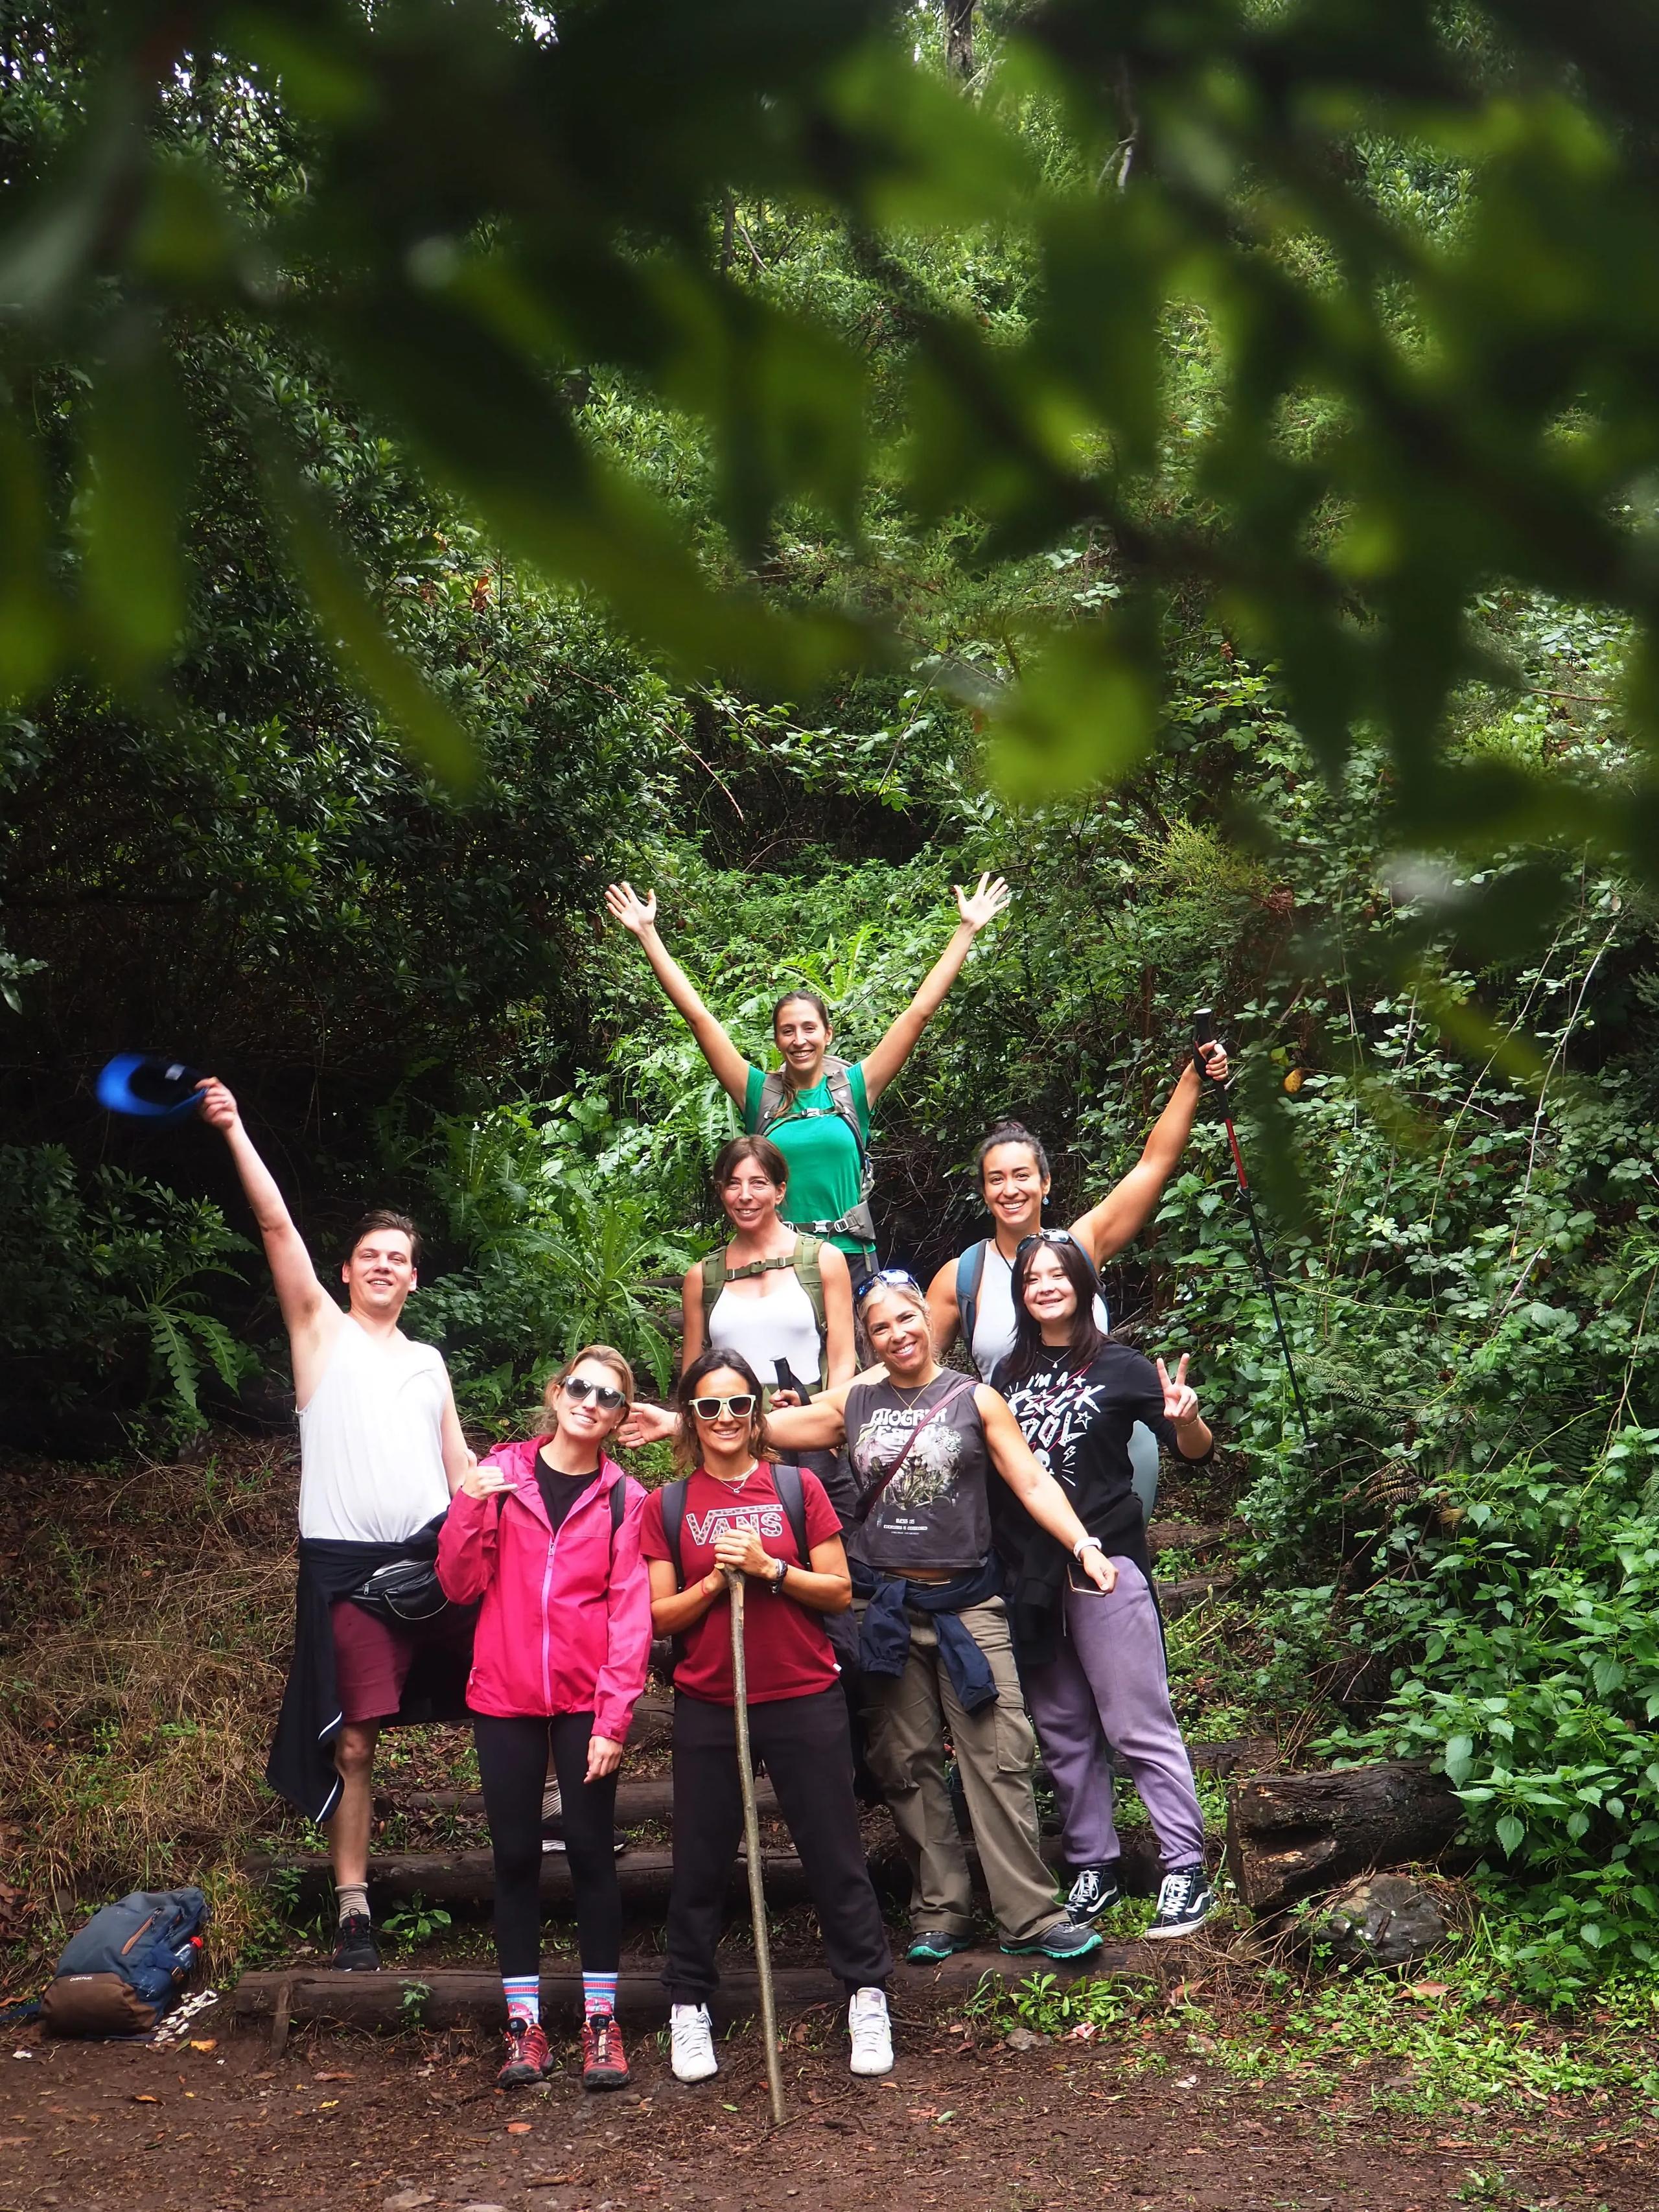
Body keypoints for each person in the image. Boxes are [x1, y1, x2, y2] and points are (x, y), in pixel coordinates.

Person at [631, 1275, 1114, 1964]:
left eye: (905, 1318)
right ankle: (941, 1911)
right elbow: (751, 1425)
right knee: (905, 1761)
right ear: (867, 1339)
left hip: (968, 1602)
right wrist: (678, 1419)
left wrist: (1083, 1542)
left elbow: (1031, 1479)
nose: (897, 1333)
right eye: (880, 1326)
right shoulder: (853, 1400)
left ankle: (1029, 1914)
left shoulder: (975, 1398)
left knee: (1000, 1753)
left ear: (927, 1318)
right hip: (884, 1607)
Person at [197, 1078, 472, 1973]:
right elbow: (277, 1228)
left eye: (400, 1256)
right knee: (353, 1738)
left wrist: (511, 1496)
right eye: (371, 1255)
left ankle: (531, 1843)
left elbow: (460, 1464)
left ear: (416, 1277)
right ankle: (353, 1900)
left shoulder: (429, 1360)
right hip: (346, 1570)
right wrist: (237, 1127)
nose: (386, 1265)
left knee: (509, 1699)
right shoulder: (319, 1331)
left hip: (432, 1562)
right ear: (347, 1271)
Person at [636, 1349, 895, 2084]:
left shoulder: (796, 1484)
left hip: (803, 1694)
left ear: (757, 1413)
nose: (724, 1419)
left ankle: (866, 1992)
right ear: (690, 1416)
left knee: (834, 1849)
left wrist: (770, 1568)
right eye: (709, 1406)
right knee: (700, 1857)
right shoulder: (668, 1504)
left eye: (738, 1404)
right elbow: (660, 1614)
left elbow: (839, 1590)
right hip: (711, 1700)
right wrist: (718, 1579)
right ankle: (689, 2002)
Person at [605, 873, 1012, 1284]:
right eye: (788, 1031)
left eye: (809, 1028)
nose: (799, 1040)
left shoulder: (855, 1087)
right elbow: (698, 1017)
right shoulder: (757, 1094)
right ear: (777, 1039)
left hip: (852, 1257)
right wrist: (648, 933)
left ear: (827, 1033)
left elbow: (918, 1013)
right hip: (778, 1260)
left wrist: (966, 930)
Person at [437, 1346, 651, 2091]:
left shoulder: (625, 1497)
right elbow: (459, 1584)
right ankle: (524, 2026)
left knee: (592, 1851)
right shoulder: (503, 1475)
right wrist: (467, 1502)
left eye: (610, 1397)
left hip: (584, 1698)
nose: (591, 1402)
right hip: (503, 1693)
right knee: (515, 1858)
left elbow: (630, 1616)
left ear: (622, 1415)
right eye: (582, 1387)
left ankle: (601, 2023)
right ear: (558, 1391)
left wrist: (613, 1716)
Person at [996, 1231, 1217, 1937]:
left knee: (1136, 1720)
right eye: (1032, 1276)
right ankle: (1094, 1861)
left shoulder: (1120, 1366)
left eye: (1059, 1273)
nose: (1046, 1284)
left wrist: (1188, 1421)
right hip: (1031, 1571)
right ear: (1020, 1293)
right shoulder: (1005, 1373)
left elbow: (1196, 1454)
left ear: (1085, 1283)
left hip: (1108, 1561)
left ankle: (1185, 1866)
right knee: (1061, 1726)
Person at [925, 1034, 1229, 1520]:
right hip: (1016, 1465)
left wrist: (1193, 1077)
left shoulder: (1080, 1247)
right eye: (996, 1179)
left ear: (1045, 1183)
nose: (1011, 1189)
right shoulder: (960, 1276)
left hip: (1110, 1449)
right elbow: (916, 1373)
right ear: (984, 1192)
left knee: (1113, 1568)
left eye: (1022, 1175)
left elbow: (1153, 1165)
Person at [680, 1132, 856, 1515]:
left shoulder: (823, 1260)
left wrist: (830, 1425)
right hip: (729, 1439)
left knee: (834, 1550)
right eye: (733, 1184)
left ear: (779, 1191)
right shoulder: (702, 1278)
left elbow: (843, 1357)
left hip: (813, 1439)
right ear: (721, 1192)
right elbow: (692, 1377)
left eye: (758, 1183)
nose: (745, 1195)